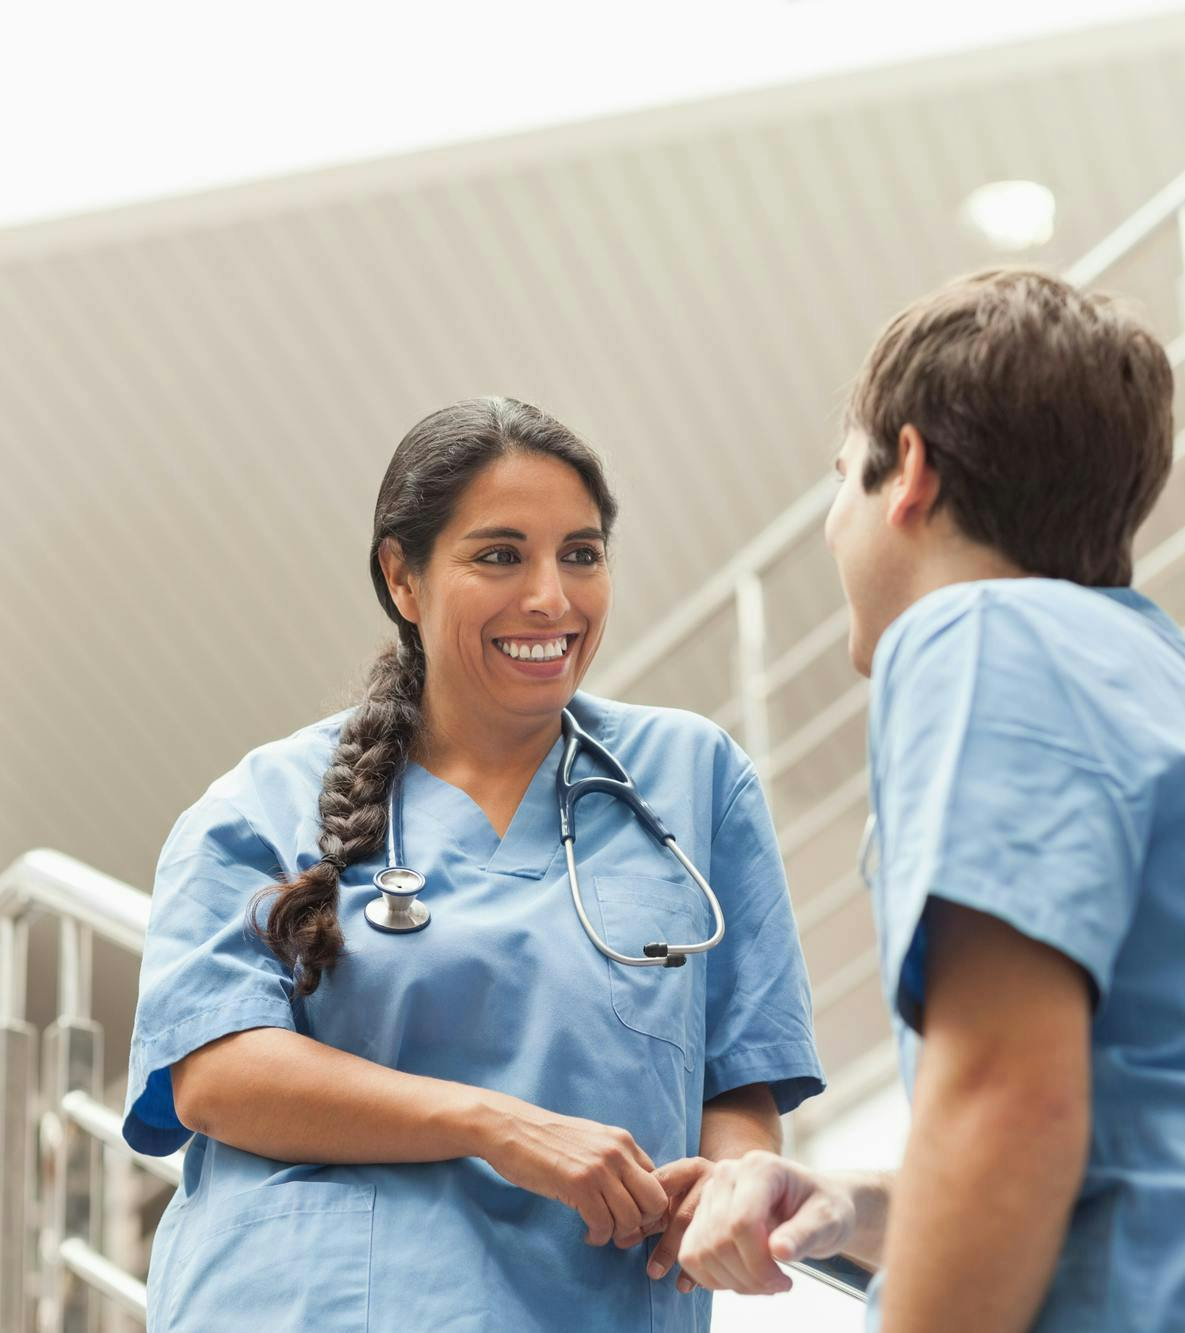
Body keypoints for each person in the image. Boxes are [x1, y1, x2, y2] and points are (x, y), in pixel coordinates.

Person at [675, 270, 1185, 1330]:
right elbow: (1122, 1125)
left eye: (843, 479)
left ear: (908, 472)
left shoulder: (970, 636)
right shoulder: (1164, 677)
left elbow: (1010, 1098)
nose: (834, 524)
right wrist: (859, 1205)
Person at [121, 397, 825, 1330]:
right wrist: (497, 1125)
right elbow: (212, 1074)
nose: (551, 597)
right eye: (500, 555)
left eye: (581, 552)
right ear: (402, 579)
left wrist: (729, 1187)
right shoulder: (262, 803)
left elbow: (737, 1079)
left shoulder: (694, 783)